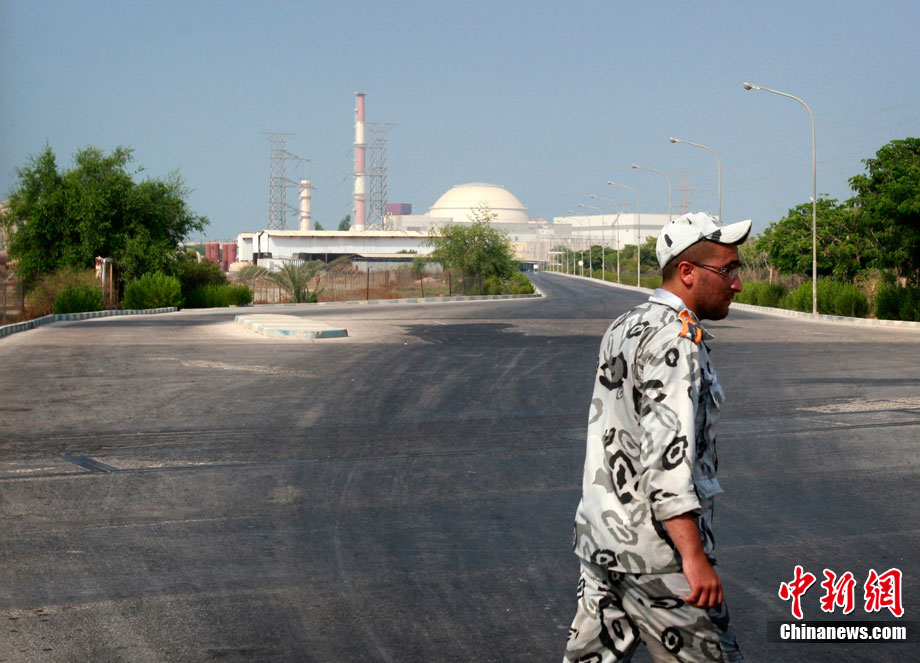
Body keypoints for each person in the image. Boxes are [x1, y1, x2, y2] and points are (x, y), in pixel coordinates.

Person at [563, 212, 751, 663]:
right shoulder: (676, 340)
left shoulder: (626, 324)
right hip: (656, 555)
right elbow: (667, 459)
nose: (737, 284)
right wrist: (693, 557)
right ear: (687, 272)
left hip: (604, 542)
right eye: (728, 270)